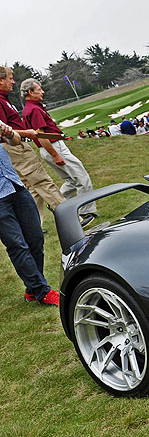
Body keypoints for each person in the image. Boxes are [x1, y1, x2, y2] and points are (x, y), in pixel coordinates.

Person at [20, 78, 98, 222]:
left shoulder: (28, 109)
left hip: (48, 149)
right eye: (39, 89)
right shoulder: (35, 109)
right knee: (82, 178)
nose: (42, 92)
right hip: (53, 147)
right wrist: (56, 154)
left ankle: (57, 203)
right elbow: (42, 135)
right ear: (30, 92)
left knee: (70, 180)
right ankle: (85, 212)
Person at [0, 120, 58, 306]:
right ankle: (42, 291)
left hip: (15, 185)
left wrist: (9, 134)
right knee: (17, 245)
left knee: (35, 237)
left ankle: (32, 289)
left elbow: (15, 141)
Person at [0, 66, 67, 227]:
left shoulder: (4, 99)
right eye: (10, 78)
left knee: (32, 189)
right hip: (14, 147)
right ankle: (71, 218)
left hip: (13, 148)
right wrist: (26, 133)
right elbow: (3, 131)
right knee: (43, 182)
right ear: (0, 80)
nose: (13, 81)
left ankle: (34, 227)